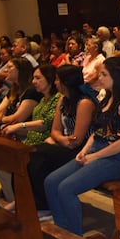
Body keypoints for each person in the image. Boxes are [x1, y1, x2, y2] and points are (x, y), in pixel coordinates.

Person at [45, 57, 120, 236]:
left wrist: (94, 156)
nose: (100, 78)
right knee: (51, 181)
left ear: (117, 77)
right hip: (98, 151)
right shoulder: (108, 98)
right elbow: (96, 132)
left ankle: (74, 236)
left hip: (118, 158)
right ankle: (63, 230)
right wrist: (84, 152)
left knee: (66, 188)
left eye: (104, 74)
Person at [26, 65, 96, 214]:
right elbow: (55, 130)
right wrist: (62, 140)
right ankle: (34, 201)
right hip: (66, 144)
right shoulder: (63, 100)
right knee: (32, 153)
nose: (55, 83)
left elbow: (77, 139)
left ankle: (44, 205)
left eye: (57, 80)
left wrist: (61, 140)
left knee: (40, 155)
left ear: (66, 82)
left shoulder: (84, 103)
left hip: (81, 149)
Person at [0, 64, 61, 207]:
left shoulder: (57, 99)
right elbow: (32, 128)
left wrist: (18, 126)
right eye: (33, 78)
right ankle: (17, 199)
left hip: (46, 144)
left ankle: (26, 202)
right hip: (31, 140)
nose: (33, 81)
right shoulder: (41, 101)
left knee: (14, 159)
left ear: (50, 80)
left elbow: (45, 124)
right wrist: (11, 129)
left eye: (38, 78)